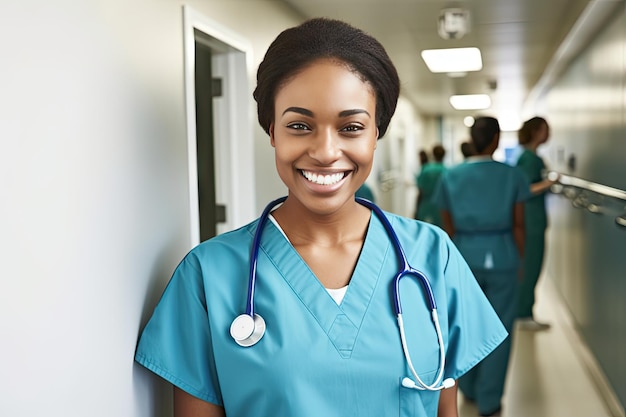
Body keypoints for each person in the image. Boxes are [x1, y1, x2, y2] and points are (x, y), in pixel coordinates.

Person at [134, 18, 507, 417]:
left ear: (375, 133)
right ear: (272, 130)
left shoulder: (433, 255)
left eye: (350, 127)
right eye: (299, 125)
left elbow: (443, 406)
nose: (326, 151)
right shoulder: (209, 275)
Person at [433, 116, 531, 417]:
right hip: (502, 255)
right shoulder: (512, 176)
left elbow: (446, 226)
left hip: (463, 256)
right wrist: (519, 260)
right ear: (496, 140)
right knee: (499, 329)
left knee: (465, 325)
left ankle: (469, 389)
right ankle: (490, 401)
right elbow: (518, 224)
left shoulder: (451, 175)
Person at [515, 116, 558, 331]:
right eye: (546, 129)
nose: (549, 134)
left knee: (533, 265)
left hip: (535, 220)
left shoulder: (531, 157)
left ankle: (525, 311)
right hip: (530, 222)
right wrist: (549, 183)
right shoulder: (528, 159)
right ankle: (523, 313)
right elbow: (525, 189)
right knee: (530, 267)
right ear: (536, 132)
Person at [415, 144, 446, 226]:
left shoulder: (426, 170)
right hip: (442, 211)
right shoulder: (447, 172)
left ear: (433, 154)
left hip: (426, 208)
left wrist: (416, 211)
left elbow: (420, 192)